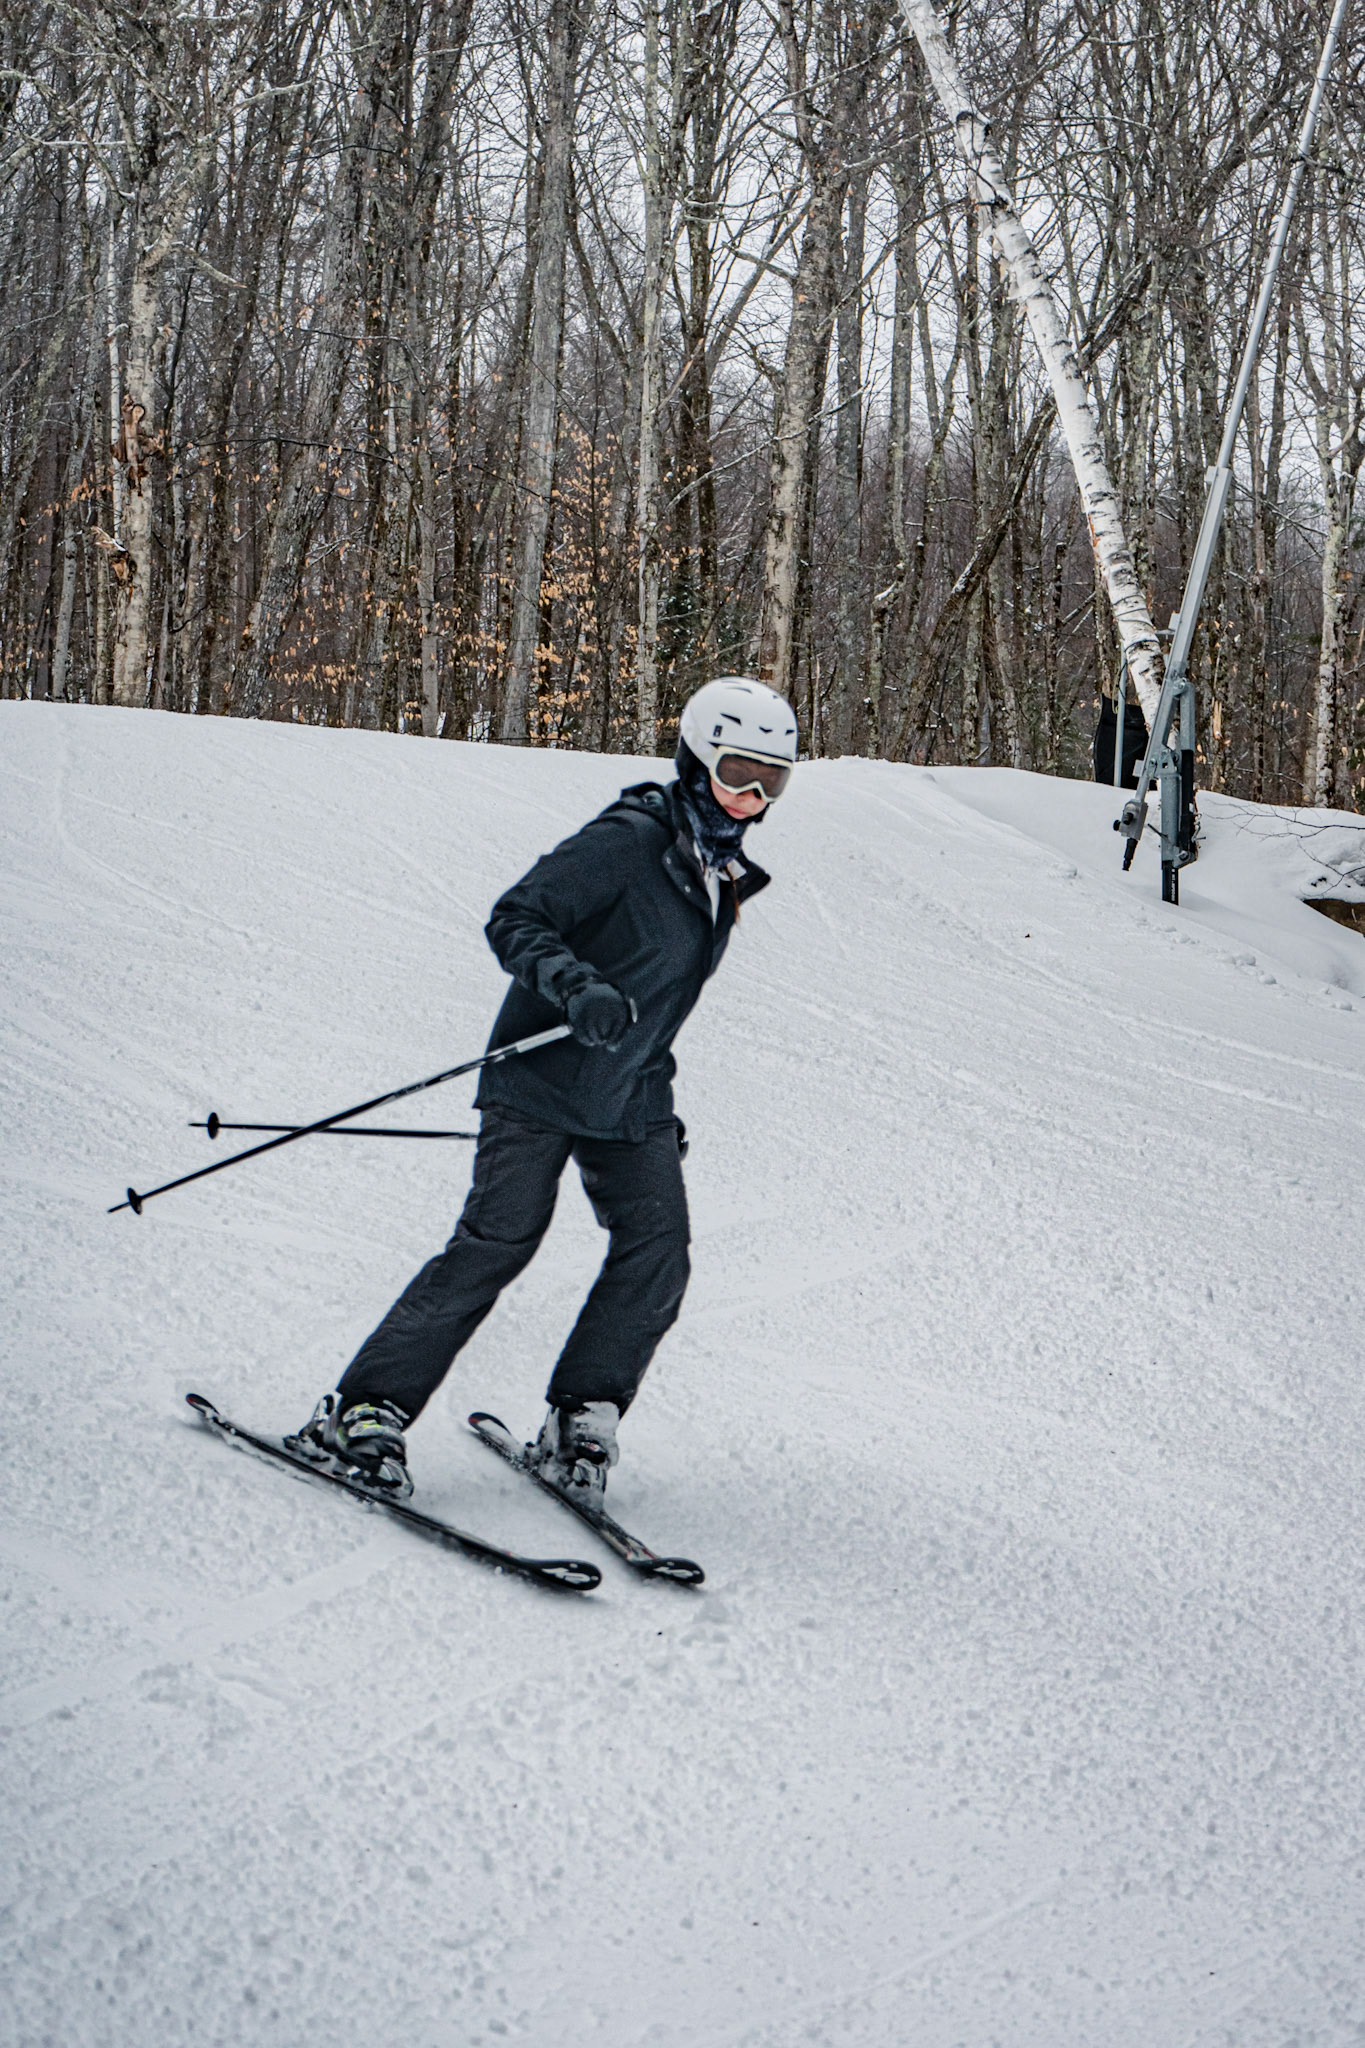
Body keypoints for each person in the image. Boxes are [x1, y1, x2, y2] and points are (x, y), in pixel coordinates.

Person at [290, 677, 799, 1502]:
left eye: (771, 781)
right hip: (538, 1079)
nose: (751, 797)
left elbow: (659, 1005)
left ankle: (581, 1419)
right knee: (497, 1241)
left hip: (631, 1096)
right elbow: (516, 916)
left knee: (657, 1249)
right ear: (695, 758)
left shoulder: (717, 872)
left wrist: (656, 1106)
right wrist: (576, 985)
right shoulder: (629, 840)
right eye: (738, 772)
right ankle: (363, 1411)